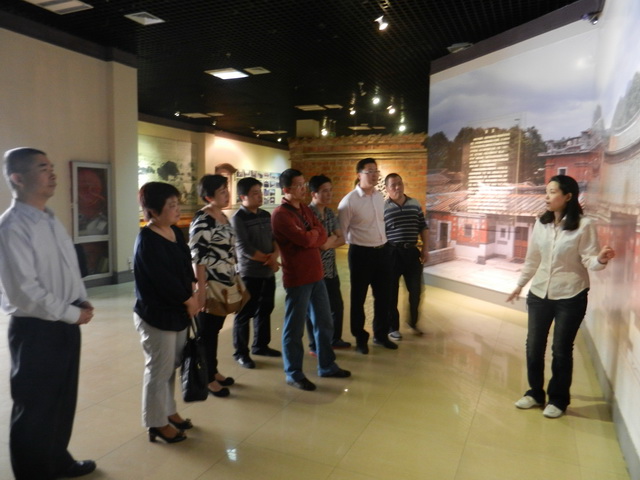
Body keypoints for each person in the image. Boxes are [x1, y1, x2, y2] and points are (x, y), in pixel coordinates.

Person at [0, 147, 97, 479]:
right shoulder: (12, 227)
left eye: (51, 166)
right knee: (35, 408)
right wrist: (70, 313)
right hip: (36, 330)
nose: (52, 173)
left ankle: (57, 460)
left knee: (61, 400)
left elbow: (67, 267)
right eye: (43, 168)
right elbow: (25, 291)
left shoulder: (50, 218)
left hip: (64, 323)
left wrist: (80, 301)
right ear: (18, 178)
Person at [507, 175, 615, 418]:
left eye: (552, 192)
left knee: (561, 349)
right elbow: (533, 259)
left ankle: (558, 399)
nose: (546, 197)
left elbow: (589, 260)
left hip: (571, 295)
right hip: (539, 293)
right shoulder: (541, 223)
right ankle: (535, 393)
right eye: (546, 191)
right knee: (534, 346)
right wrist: (520, 285)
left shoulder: (584, 225)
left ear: (568, 196)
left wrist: (600, 259)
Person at [272, 169, 351, 390]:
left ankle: (327, 365)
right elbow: (306, 240)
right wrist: (313, 236)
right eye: (298, 185)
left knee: (324, 323)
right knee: (294, 328)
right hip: (298, 278)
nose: (303, 189)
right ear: (286, 189)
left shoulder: (305, 209)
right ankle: (294, 373)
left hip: (317, 275)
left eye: (303, 184)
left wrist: (313, 235)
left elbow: (320, 233)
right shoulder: (280, 215)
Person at [133, 181, 199, 443]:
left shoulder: (174, 232)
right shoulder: (148, 241)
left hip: (178, 311)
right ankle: (156, 422)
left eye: (177, 204)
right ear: (153, 210)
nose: (177, 209)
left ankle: (168, 410)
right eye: (171, 205)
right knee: (158, 369)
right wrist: (188, 300)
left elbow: (185, 266)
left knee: (171, 366)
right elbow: (163, 281)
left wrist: (193, 291)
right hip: (157, 315)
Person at [338, 158, 397, 354]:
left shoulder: (379, 197)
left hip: (383, 251)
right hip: (361, 254)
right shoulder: (349, 201)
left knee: (384, 297)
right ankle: (360, 338)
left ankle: (381, 335)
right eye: (369, 171)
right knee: (358, 298)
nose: (374, 175)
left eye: (376, 171)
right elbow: (342, 232)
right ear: (359, 174)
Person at [189, 174, 236, 397]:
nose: (227, 194)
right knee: (206, 332)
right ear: (209, 197)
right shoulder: (203, 219)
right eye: (222, 192)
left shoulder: (223, 216)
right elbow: (197, 258)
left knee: (215, 329)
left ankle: (213, 370)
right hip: (210, 284)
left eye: (227, 190)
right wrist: (200, 290)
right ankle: (206, 378)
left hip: (225, 282)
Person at [230, 177, 281, 369]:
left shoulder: (266, 215)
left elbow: (274, 239)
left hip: (267, 272)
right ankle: (241, 353)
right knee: (245, 313)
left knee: (265, 309)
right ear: (243, 197)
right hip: (249, 273)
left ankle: (261, 345)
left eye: (260, 192)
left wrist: (274, 256)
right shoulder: (238, 218)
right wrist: (270, 260)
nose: (260, 196)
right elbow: (244, 248)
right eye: (255, 193)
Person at [305, 175, 351, 354]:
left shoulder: (330, 213)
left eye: (330, 190)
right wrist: (329, 240)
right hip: (314, 271)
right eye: (325, 191)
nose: (329, 194)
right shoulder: (307, 214)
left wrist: (327, 243)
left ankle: (334, 339)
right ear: (314, 194)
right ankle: (314, 345)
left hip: (330, 269)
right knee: (314, 310)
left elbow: (341, 238)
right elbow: (315, 244)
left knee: (336, 306)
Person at [384, 173, 429, 339]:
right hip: (392, 253)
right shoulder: (383, 208)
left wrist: (425, 249)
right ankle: (392, 327)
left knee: (416, 290)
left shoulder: (414, 203)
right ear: (387, 188)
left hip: (412, 252)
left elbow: (423, 227)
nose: (397, 187)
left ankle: (413, 322)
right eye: (393, 185)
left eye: (400, 183)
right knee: (391, 293)